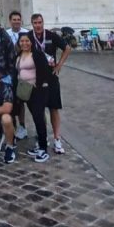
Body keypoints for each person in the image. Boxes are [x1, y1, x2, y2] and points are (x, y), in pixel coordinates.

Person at [27, 13, 70, 154]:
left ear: (43, 22)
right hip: (36, 79)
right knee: (39, 111)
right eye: (35, 23)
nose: (38, 25)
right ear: (32, 24)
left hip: (51, 77)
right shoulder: (28, 36)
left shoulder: (51, 35)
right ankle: (43, 139)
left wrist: (59, 65)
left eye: (40, 22)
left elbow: (67, 48)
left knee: (54, 108)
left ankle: (57, 139)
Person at [15, 33, 49, 162]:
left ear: (31, 42)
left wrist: (38, 86)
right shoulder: (19, 55)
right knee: (35, 118)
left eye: (27, 41)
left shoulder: (38, 54)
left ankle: (43, 148)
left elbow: (44, 71)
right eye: (22, 41)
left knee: (39, 118)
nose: (24, 43)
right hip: (26, 91)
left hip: (37, 91)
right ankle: (40, 145)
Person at [6, 10, 30, 140]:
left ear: (21, 20)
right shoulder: (6, 34)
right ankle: (13, 126)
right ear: (10, 21)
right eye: (14, 19)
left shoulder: (27, 33)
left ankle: (22, 126)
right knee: (11, 100)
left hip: (25, 70)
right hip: (11, 71)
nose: (16, 21)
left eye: (18, 19)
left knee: (22, 100)